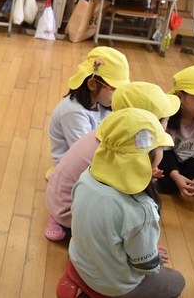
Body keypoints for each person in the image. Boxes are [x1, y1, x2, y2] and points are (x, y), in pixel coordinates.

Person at [69, 108, 185, 297]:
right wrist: (154, 257)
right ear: (148, 157)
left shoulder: (87, 176)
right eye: (161, 147)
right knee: (177, 281)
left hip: (79, 261)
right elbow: (146, 266)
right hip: (114, 284)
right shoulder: (140, 208)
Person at [44, 81, 180, 241]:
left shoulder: (111, 134)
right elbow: (123, 195)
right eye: (165, 121)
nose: (167, 124)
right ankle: (67, 226)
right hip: (70, 213)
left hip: (57, 198)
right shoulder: (122, 151)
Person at [48, 46, 130, 165]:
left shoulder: (101, 102)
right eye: (115, 89)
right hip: (73, 164)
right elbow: (84, 154)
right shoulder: (74, 113)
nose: (119, 95)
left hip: (94, 153)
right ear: (92, 84)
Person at [157, 65, 194, 198]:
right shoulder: (166, 119)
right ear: (180, 96)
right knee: (156, 178)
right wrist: (176, 176)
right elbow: (163, 153)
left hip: (189, 162)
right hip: (165, 160)